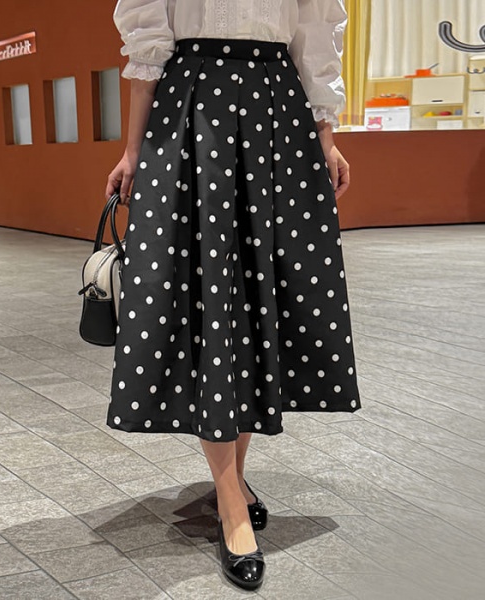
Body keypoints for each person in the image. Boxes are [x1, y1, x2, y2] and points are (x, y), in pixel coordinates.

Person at [105, 0, 361, 591]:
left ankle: (233, 484)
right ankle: (230, 503)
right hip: (192, 110)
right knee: (211, 301)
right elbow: (148, 49)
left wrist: (325, 136)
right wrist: (133, 150)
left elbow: (317, 37)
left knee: (255, 299)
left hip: (279, 111)